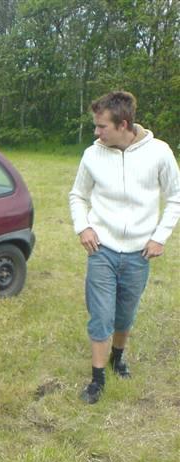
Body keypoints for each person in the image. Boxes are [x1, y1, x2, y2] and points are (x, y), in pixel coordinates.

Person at [69, 90, 180, 404]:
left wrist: (160, 236)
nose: (96, 132)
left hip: (138, 253)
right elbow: (78, 195)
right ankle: (97, 379)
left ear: (124, 124)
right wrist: (84, 227)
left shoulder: (159, 153)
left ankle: (119, 357)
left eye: (102, 126)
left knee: (125, 314)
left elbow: (174, 198)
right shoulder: (93, 154)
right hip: (101, 250)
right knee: (100, 315)